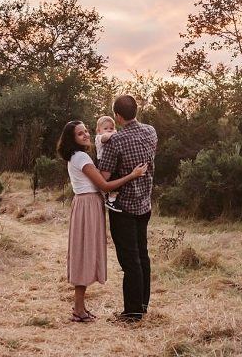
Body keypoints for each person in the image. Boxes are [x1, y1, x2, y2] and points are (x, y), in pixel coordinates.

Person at [57, 120, 148, 323]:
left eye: (86, 132)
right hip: (87, 206)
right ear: (72, 139)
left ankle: (80, 308)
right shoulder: (81, 157)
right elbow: (104, 186)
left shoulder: (79, 156)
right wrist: (131, 175)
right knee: (84, 256)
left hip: (87, 204)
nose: (86, 135)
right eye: (80, 134)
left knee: (85, 255)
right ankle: (78, 310)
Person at [98, 95, 158, 323]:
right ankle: (142, 305)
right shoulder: (151, 131)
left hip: (123, 207)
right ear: (136, 110)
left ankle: (132, 313)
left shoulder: (116, 141)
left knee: (130, 260)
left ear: (118, 116)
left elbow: (103, 176)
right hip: (144, 203)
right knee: (142, 256)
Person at [94, 115, 123, 213]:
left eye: (111, 128)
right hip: (102, 162)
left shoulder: (111, 137)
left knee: (117, 177)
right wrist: (114, 133)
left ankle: (110, 197)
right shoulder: (99, 138)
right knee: (113, 179)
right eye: (105, 128)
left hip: (111, 162)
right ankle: (111, 200)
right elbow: (105, 137)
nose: (109, 130)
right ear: (98, 130)